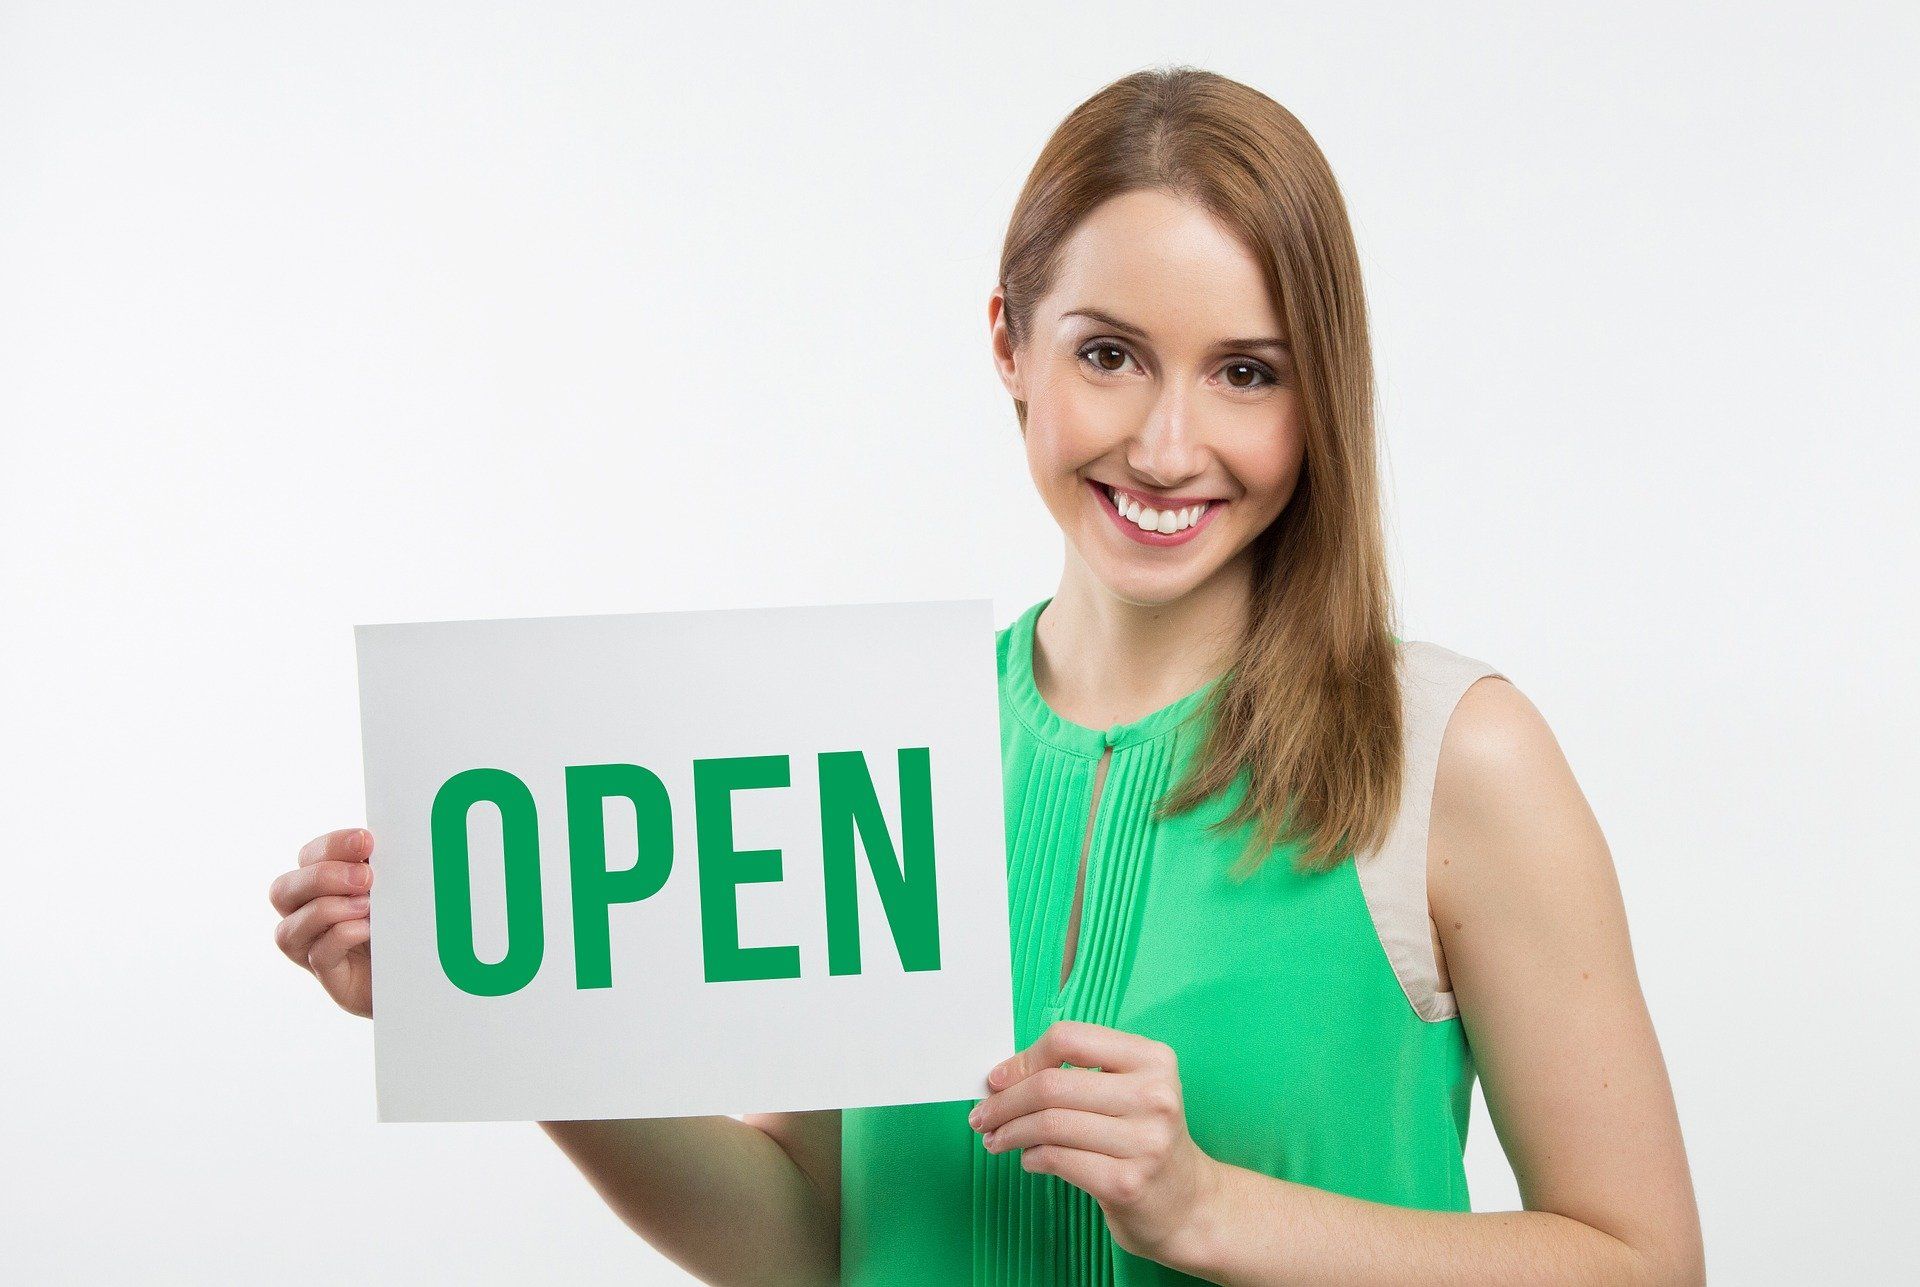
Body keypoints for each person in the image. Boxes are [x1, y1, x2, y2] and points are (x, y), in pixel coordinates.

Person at [269, 66, 1703, 1286]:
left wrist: (1211, 1210)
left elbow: (1645, 1263)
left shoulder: (1455, 756)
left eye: (1246, 373)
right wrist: (496, 1013)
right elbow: (809, 1238)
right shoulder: (882, 743)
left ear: (1321, 388)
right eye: (1111, 355)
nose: (1166, 447)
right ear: (1010, 344)